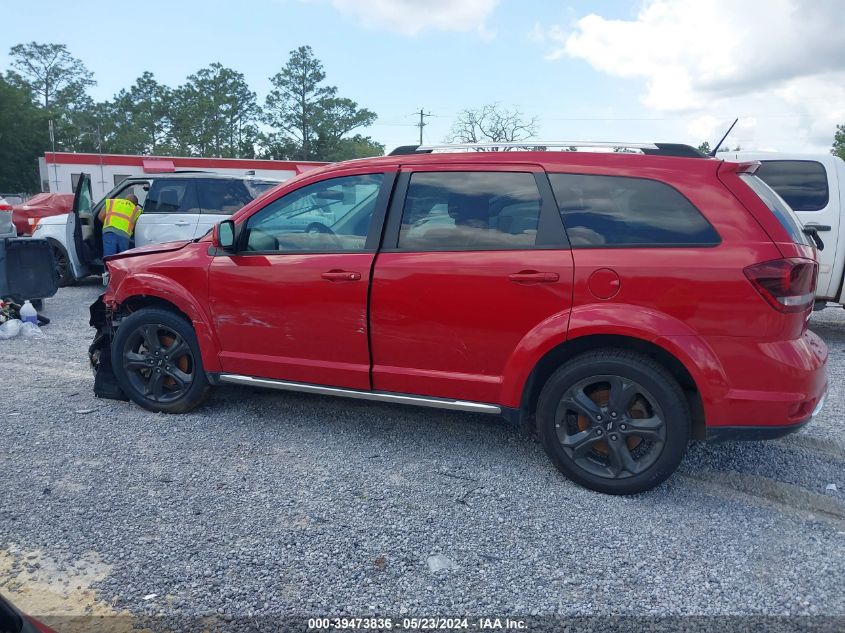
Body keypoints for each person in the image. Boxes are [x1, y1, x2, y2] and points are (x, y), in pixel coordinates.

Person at [98, 192, 142, 257]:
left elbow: (100, 216)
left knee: (109, 258)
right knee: (122, 259)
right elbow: (135, 225)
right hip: (124, 235)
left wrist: (108, 225)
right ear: (135, 204)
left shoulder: (112, 202)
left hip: (109, 232)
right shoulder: (136, 210)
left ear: (125, 199)